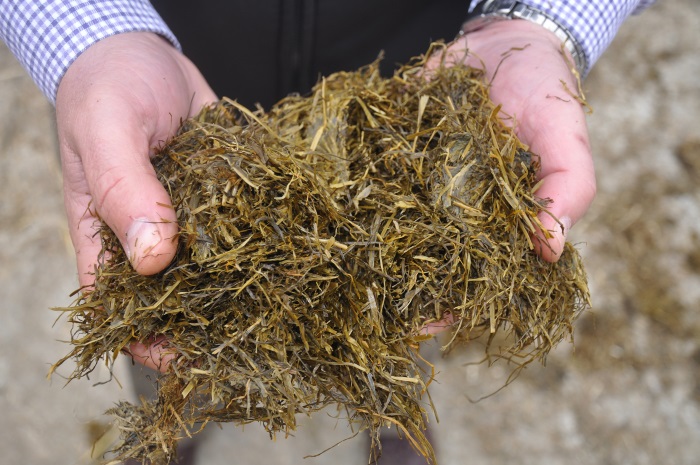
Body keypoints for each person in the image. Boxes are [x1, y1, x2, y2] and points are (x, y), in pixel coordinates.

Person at [0, 0, 655, 463]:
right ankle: (171, 419)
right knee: (169, 295)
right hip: (175, 83)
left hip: (420, 67)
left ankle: (390, 412)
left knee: (409, 296)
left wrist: (539, 20)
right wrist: (91, 33)